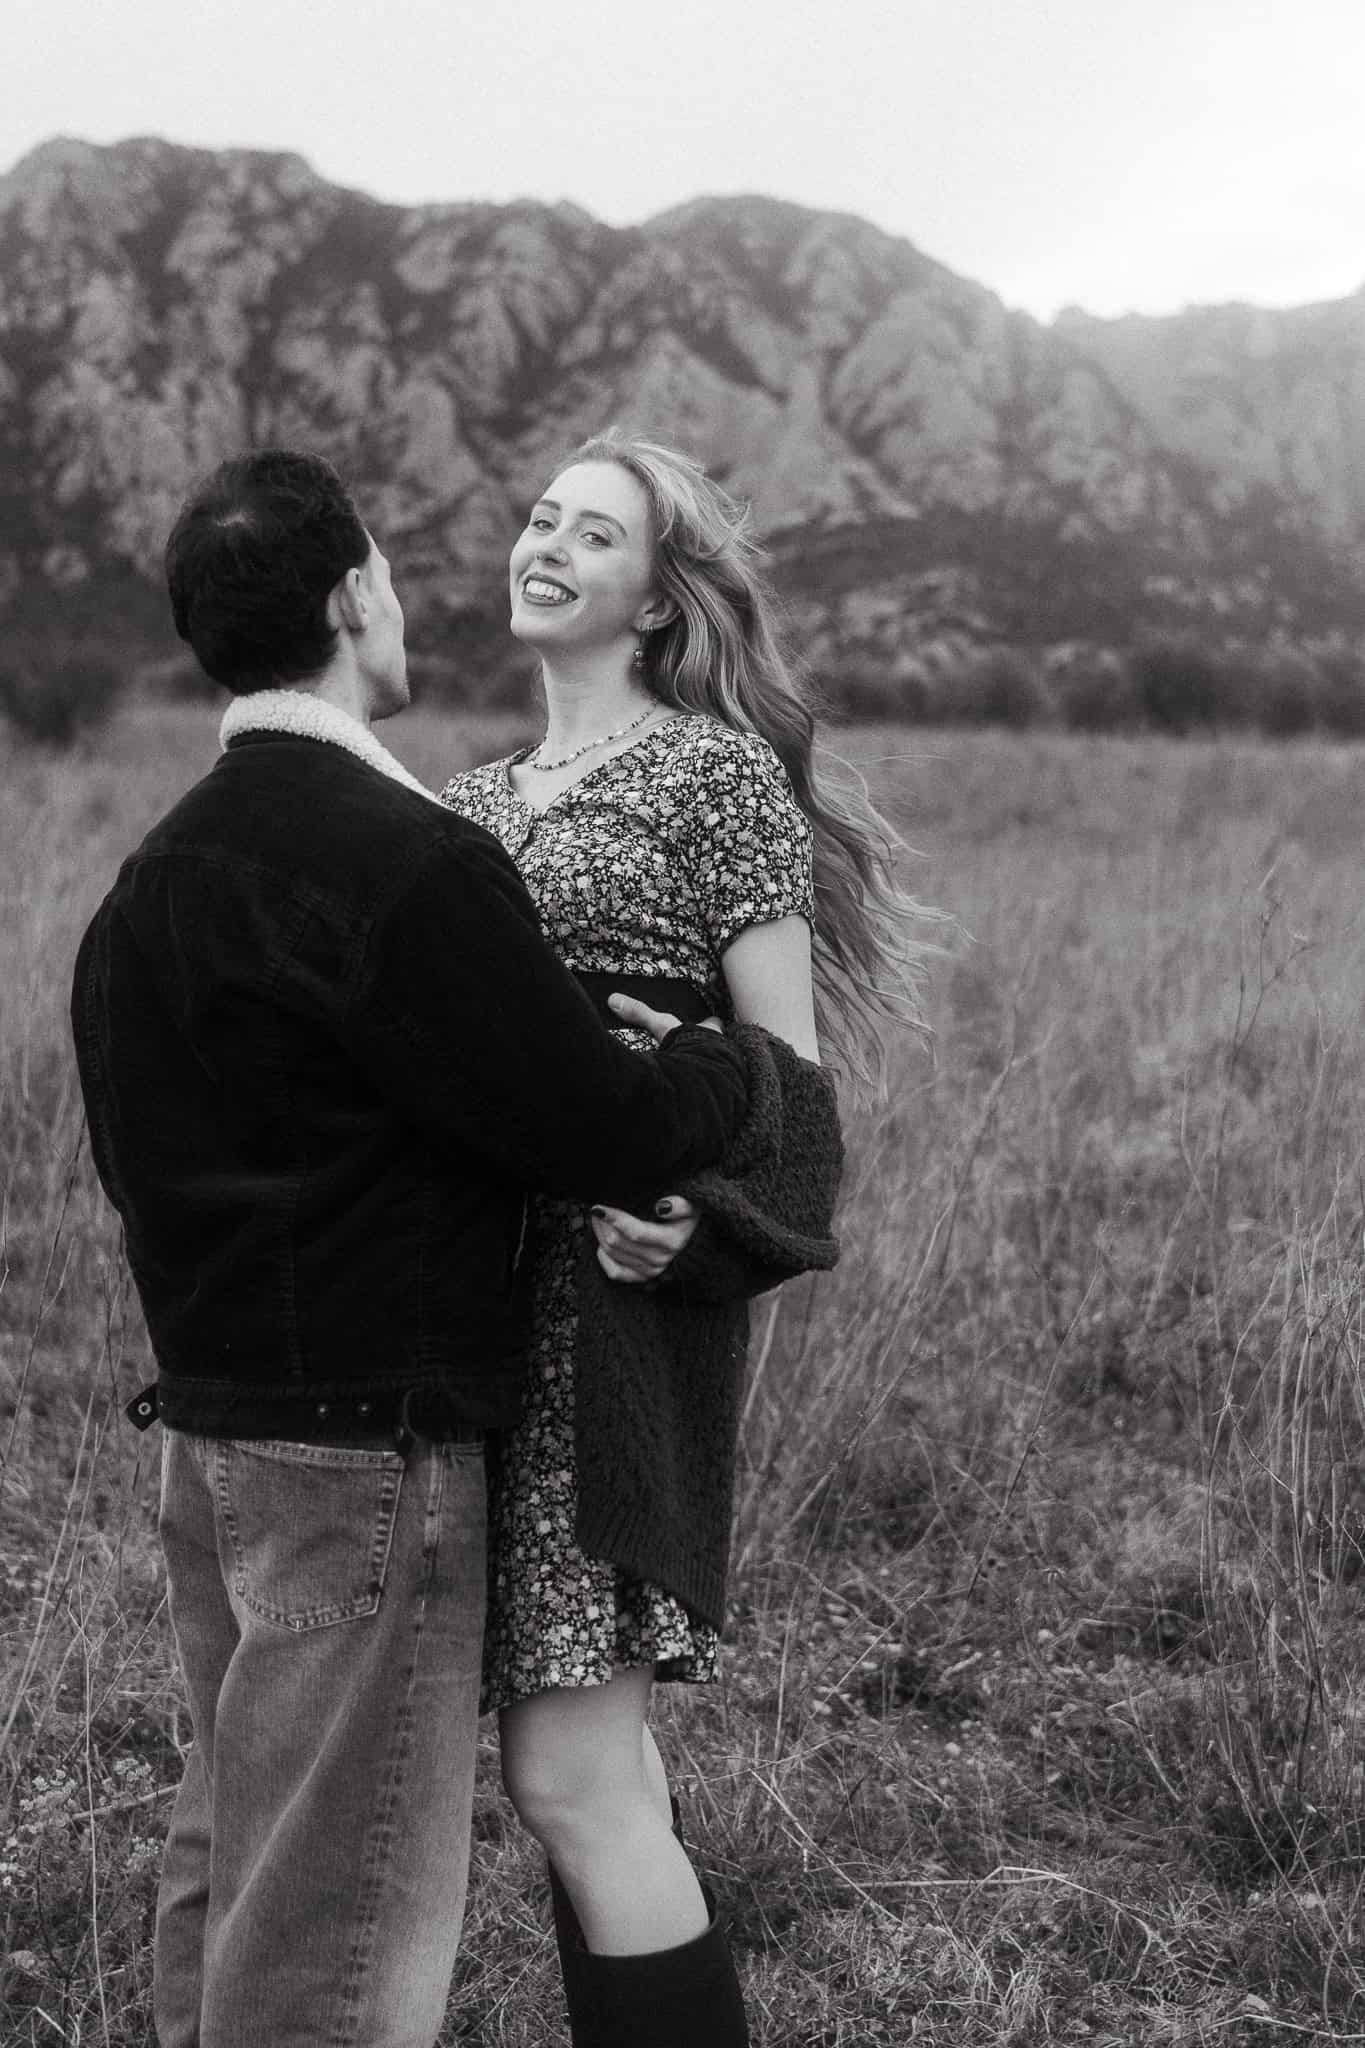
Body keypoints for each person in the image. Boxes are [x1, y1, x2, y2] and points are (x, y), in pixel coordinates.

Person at [68, 449, 760, 2048]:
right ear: (351, 600)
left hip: (211, 1442)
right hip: (367, 1459)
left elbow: (130, 1156)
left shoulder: (149, 879)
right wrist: (719, 1066)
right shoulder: (411, 858)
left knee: (233, 1850)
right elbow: (599, 1130)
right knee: (336, 1928)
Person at [440, 430, 930, 2046]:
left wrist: (694, 1222)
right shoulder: (466, 801)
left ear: (656, 601)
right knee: (600, 1770)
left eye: (595, 533)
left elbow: (789, 1085)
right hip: (471, 1309)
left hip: (625, 1294)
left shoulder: (707, 776)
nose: (549, 544)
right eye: (538, 517)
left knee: (565, 1773)